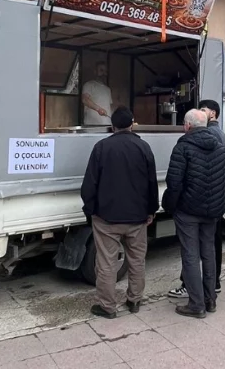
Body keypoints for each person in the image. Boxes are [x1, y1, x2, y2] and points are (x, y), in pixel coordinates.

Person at [80, 106, 158, 319]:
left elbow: (89, 185)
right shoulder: (143, 147)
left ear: (112, 125)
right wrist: (151, 210)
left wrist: (91, 210)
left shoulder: (101, 147)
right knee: (137, 260)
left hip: (107, 218)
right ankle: (134, 300)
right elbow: (152, 184)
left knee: (106, 263)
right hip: (138, 217)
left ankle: (107, 306)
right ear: (132, 124)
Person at [163, 109, 225, 318]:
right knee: (208, 252)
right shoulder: (219, 147)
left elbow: (174, 182)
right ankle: (210, 300)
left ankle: (196, 304)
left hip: (188, 211)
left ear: (187, 125)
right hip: (212, 211)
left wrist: (171, 206)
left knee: (190, 255)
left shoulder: (183, 146)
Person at [82, 61, 114, 126]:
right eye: (101, 70)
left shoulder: (108, 89)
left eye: (105, 71)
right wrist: (98, 109)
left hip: (107, 125)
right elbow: (85, 100)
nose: (104, 73)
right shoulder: (89, 85)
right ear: (95, 71)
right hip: (92, 125)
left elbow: (109, 107)